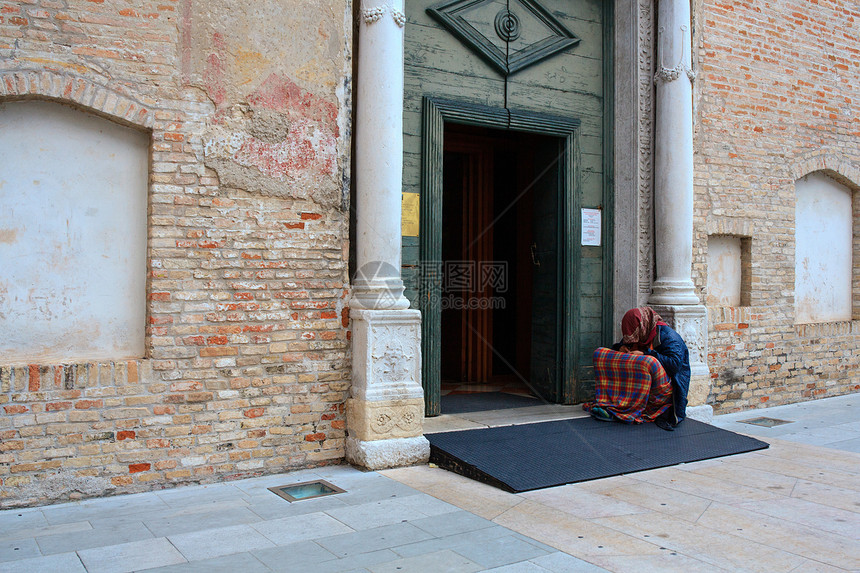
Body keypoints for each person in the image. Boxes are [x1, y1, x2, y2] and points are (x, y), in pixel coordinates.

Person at [584, 307, 690, 430]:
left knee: (648, 362)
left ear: (642, 326)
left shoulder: (669, 337)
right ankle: (613, 404)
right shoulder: (641, 333)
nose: (632, 340)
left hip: (665, 389)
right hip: (643, 385)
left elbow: (675, 365)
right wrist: (620, 349)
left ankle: (631, 409)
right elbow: (625, 346)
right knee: (601, 353)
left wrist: (646, 353)